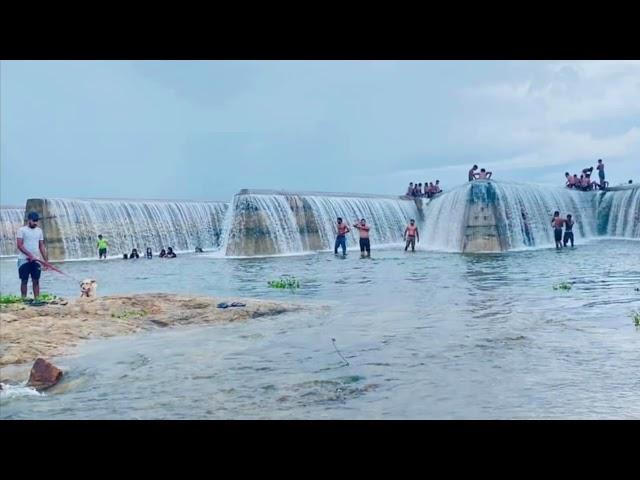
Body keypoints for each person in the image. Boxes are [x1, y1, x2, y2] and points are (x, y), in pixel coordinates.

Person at [16, 211, 49, 300]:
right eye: (33, 221)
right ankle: (24, 299)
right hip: (23, 260)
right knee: (24, 281)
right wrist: (30, 255)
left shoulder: (39, 231)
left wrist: (46, 261)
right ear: (29, 220)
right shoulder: (21, 230)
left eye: (36, 221)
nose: (35, 223)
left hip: (36, 260)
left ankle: (37, 299)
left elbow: (41, 246)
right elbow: (19, 245)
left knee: (36, 281)